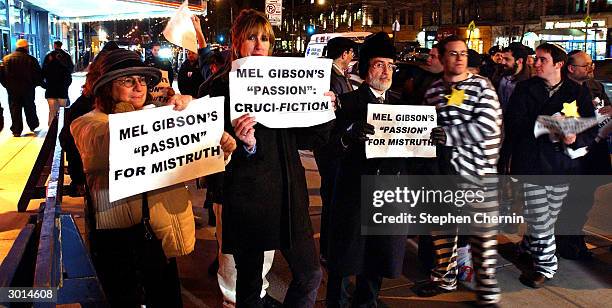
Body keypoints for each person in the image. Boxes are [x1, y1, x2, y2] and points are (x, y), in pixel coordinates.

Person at [71, 48, 236, 307]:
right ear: (105, 87)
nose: (138, 87)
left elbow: (189, 160)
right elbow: (110, 144)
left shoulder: (157, 114)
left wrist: (212, 140)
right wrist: (168, 119)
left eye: (142, 80)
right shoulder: (88, 123)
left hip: (158, 236)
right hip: (118, 239)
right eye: (127, 81)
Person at [207, 9, 332, 307]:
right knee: (249, 286)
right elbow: (211, 152)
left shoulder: (284, 82)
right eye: (252, 37)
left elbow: (307, 138)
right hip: (249, 198)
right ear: (238, 42)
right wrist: (245, 143)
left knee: (311, 273)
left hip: (290, 196)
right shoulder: (220, 87)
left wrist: (325, 111)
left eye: (265, 38)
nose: (260, 44)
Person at [415, 35, 502, 306]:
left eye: (463, 53)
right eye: (452, 53)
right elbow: (424, 128)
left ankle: (487, 292)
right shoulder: (432, 91)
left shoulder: (481, 87)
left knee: (481, 237)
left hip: (477, 174)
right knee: (442, 231)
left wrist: (448, 136)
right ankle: (445, 278)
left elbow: (489, 126)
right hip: (443, 175)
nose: (460, 57)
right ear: (441, 58)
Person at [324, 31, 408, 307]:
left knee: (376, 256)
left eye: (390, 65)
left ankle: (367, 303)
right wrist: (349, 134)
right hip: (353, 195)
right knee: (345, 258)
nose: (386, 72)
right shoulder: (347, 103)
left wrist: (432, 143)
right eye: (379, 64)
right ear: (366, 68)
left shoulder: (401, 106)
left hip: (386, 196)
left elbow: (412, 153)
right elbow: (328, 147)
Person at [504, 43, 596, 288]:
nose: (535, 63)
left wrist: (575, 137)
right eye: (535, 59)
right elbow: (513, 124)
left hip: (562, 166)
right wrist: (546, 125)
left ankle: (527, 245)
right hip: (532, 163)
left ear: (558, 64)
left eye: (542, 59)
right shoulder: (524, 89)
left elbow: (590, 126)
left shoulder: (577, 92)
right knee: (541, 217)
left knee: (547, 216)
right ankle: (546, 266)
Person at [555, 50, 612, 260]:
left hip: (594, 153)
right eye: (586, 65)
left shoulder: (595, 86)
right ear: (571, 68)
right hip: (571, 155)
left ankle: (574, 236)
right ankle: (566, 240)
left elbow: (606, 109)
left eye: (591, 65)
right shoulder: (560, 90)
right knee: (568, 199)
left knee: (584, 199)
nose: (591, 68)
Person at [59, 42, 120, 197]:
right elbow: (69, 142)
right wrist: (79, 179)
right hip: (97, 184)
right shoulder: (88, 107)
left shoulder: (86, 102)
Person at [316, 36, 355, 264]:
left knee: (333, 197)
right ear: (344, 54)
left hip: (333, 145)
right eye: (351, 53)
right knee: (332, 198)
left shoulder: (338, 75)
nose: (352, 58)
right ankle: (328, 251)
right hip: (331, 146)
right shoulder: (332, 78)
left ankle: (329, 248)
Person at [0, 39, 42, 137]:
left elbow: (2, 76)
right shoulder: (31, 59)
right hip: (28, 89)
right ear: (25, 47)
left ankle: (16, 130)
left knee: (15, 109)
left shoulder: (6, 59)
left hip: (12, 90)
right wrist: (36, 84)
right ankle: (33, 125)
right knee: (30, 107)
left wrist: (7, 86)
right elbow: (37, 75)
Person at [42, 40, 74, 125]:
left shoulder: (48, 55)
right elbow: (71, 69)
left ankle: (51, 129)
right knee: (63, 111)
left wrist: (45, 84)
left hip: (51, 89)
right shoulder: (67, 55)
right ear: (61, 45)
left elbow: (43, 71)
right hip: (62, 89)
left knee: (52, 111)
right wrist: (67, 83)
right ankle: (61, 128)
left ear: (54, 45)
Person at [497, 43, 531, 112]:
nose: (503, 62)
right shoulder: (499, 76)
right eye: (502, 58)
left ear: (519, 61)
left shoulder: (528, 84)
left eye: (507, 59)